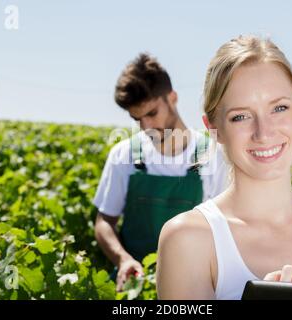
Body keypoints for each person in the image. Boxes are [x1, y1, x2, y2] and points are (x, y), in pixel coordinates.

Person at [156, 35, 292, 300]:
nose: (263, 132)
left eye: (279, 108)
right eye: (240, 116)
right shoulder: (188, 239)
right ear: (214, 128)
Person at [93, 53, 230, 291]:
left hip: (191, 288)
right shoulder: (124, 155)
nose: (146, 126)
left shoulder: (214, 157)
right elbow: (104, 221)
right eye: (137, 118)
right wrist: (122, 259)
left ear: (172, 98)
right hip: (133, 285)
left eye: (152, 113)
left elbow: (226, 231)